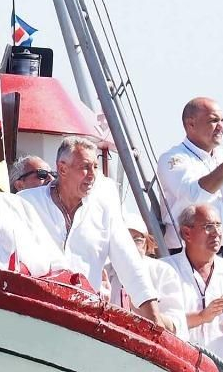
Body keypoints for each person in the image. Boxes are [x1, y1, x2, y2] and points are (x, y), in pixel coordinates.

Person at [19, 136, 174, 332]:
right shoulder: (25, 203)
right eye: (85, 167)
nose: (92, 174)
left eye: (95, 167)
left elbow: (130, 263)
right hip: (35, 316)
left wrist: (155, 321)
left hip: (84, 321)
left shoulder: (104, 208)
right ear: (62, 169)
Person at [157, 97, 223, 272]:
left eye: (222, 120)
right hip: (188, 254)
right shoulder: (173, 159)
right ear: (191, 124)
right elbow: (194, 196)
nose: (221, 126)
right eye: (214, 121)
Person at [159, 204, 223, 369]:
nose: (216, 232)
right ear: (187, 233)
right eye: (208, 227)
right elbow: (154, 322)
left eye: (219, 225)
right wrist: (201, 317)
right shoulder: (162, 270)